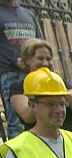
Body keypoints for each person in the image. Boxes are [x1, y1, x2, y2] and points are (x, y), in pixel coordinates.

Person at [10, 38, 72, 134]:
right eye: (40, 58)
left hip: (69, 137)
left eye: (49, 59)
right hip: (39, 141)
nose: (45, 63)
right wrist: (41, 89)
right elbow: (28, 117)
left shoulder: (60, 82)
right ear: (27, 60)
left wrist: (56, 85)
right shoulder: (18, 87)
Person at [0, 0, 42, 139]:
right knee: (16, 122)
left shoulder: (28, 15)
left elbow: (40, 43)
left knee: (40, 115)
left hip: (33, 73)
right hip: (10, 73)